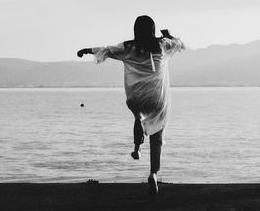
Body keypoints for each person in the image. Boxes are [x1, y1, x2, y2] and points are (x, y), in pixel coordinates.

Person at [77, 15, 185, 195]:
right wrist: (169, 35)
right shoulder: (161, 45)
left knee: (139, 116)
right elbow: (179, 44)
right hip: (157, 97)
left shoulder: (128, 47)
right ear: (152, 30)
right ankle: (153, 174)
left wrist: (86, 50)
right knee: (157, 135)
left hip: (136, 97)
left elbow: (107, 50)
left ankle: (136, 148)